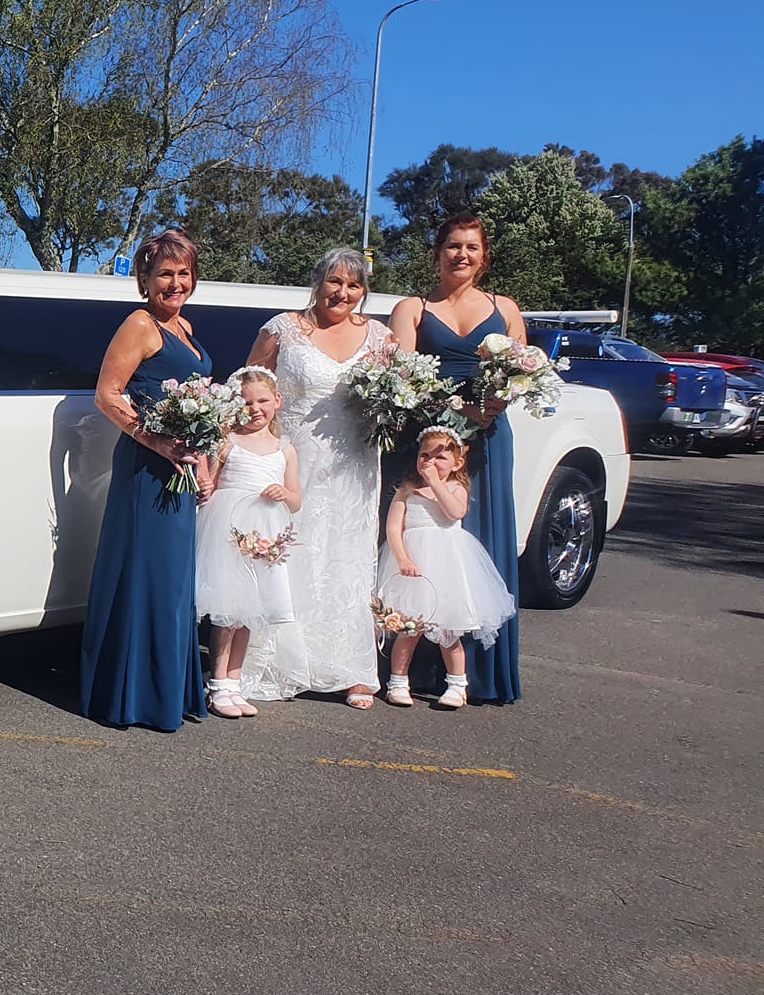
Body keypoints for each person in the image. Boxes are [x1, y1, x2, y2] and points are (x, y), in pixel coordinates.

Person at [239, 249, 391, 710]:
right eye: (334, 282)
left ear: (363, 291)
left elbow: (397, 394)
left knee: (347, 559)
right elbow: (247, 387)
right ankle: (282, 662)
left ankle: (353, 670)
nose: (342, 293)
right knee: (289, 553)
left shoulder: (380, 337)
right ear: (318, 281)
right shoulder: (283, 329)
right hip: (292, 458)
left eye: (354, 285)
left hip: (355, 465)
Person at [388, 215, 526, 704]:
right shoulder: (414, 309)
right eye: (452, 246)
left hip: (487, 441)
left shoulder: (505, 308)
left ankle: (476, 675)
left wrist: (495, 406)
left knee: (479, 544)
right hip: (429, 442)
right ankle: (413, 671)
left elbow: (521, 371)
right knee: (425, 548)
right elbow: (400, 378)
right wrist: (456, 407)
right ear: (437, 252)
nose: (461, 255)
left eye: (471, 247)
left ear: (484, 255)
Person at [80, 230, 212, 732]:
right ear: (145, 280)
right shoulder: (140, 324)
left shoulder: (184, 326)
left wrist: (199, 459)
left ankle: (165, 692)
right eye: (165, 274)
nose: (175, 283)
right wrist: (157, 443)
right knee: (146, 576)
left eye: (183, 274)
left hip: (178, 468)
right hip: (146, 470)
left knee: (173, 581)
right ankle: (133, 697)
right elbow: (108, 394)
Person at [376, 427, 516, 709]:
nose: (430, 463)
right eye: (424, 456)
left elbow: (455, 512)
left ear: (457, 463)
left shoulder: (455, 488)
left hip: (447, 567)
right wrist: (403, 558)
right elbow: (393, 528)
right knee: (407, 628)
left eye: (440, 458)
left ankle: (457, 685)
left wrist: (435, 483)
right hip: (412, 569)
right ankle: (398, 681)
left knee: (449, 631)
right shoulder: (406, 491)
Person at [195, 367, 300, 718]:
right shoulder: (229, 441)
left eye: (262, 401)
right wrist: (205, 484)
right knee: (229, 611)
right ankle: (218, 684)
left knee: (249, 614)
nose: (255, 408)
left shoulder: (285, 449)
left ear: (277, 402)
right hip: (229, 528)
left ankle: (235, 684)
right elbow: (209, 480)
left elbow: (297, 500)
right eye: (247, 402)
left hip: (265, 533)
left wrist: (284, 493)